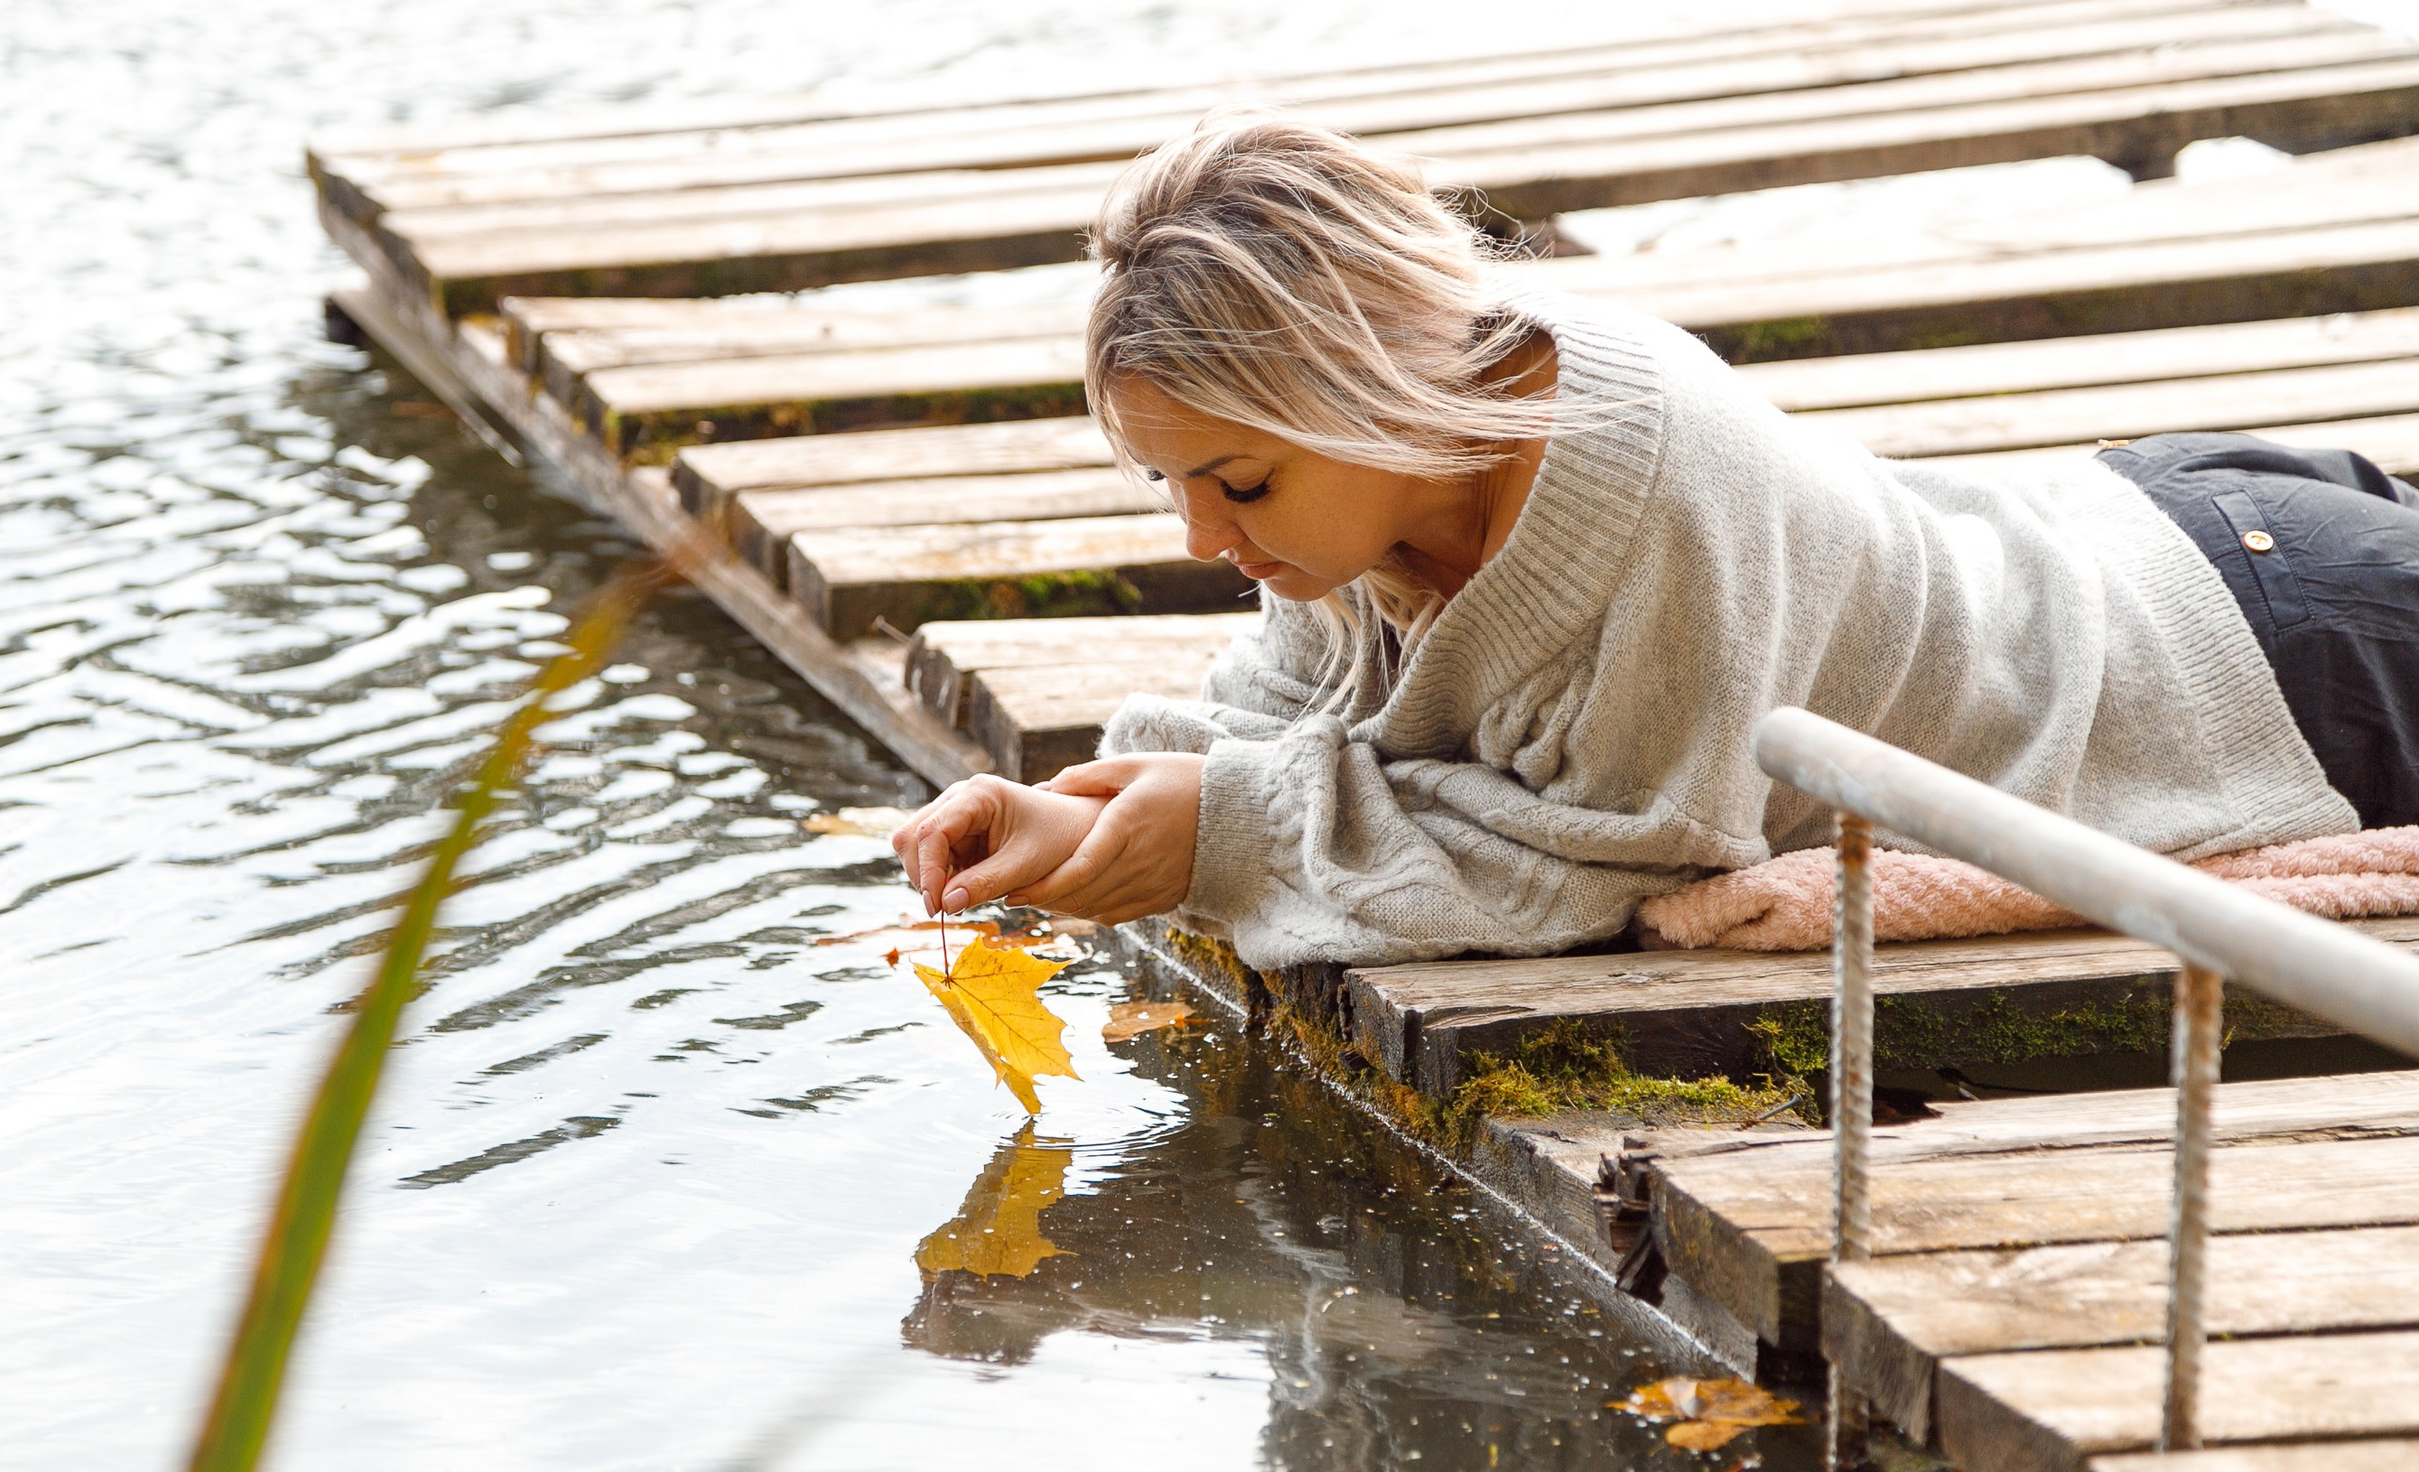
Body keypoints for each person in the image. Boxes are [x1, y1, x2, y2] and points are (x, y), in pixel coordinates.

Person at [891, 115, 2419, 968]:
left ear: (1362, 392)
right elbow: (1286, 719)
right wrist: (1070, 807)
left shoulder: (1648, 487)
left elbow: (1604, 860)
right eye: (1169, 487)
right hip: (2140, 514)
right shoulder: (1370, 479)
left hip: (2262, 659)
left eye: (1237, 482)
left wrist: (1220, 832)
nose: (1205, 535)